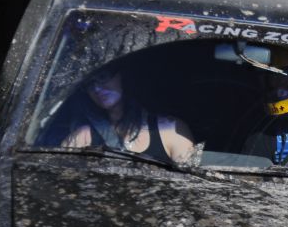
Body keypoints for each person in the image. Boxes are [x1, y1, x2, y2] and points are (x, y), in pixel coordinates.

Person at [62, 67, 196, 164]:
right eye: (89, 84)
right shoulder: (82, 136)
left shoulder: (172, 129)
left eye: (103, 77)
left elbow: (192, 190)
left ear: (123, 75)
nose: (96, 89)